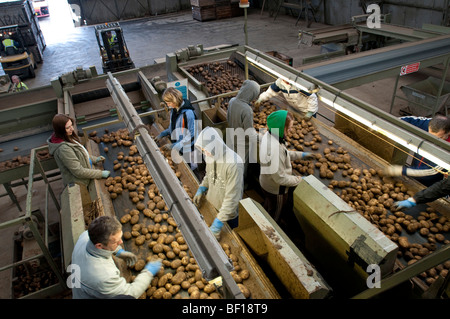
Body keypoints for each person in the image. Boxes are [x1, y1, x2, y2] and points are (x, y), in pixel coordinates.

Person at [71, 216, 162, 298]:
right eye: (116, 242)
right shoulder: (104, 277)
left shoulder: (85, 236)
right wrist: (148, 272)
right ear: (99, 246)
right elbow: (130, 294)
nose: (121, 242)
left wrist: (118, 251)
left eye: (120, 238)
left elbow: (103, 245)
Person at [259, 110, 314, 222]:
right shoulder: (276, 148)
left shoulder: (269, 135)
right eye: (288, 128)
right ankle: (270, 230)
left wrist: (300, 155)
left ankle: (263, 217)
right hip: (275, 189)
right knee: (276, 213)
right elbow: (280, 178)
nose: (290, 131)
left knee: (269, 204)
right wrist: (299, 180)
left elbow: (283, 154)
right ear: (280, 128)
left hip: (265, 182)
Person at [193, 127, 244, 240]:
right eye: (202, 150)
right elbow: (209, 175)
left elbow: (232, 199)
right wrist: (202, 188)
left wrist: (218, 224)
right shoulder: (210, 155)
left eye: (206, 150)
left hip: (227, 217)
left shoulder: (234, 164)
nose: (205, 153)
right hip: (212, 206)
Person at [47, 114, 110, 196]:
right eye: (67, 128)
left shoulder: (66, 136)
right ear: (60, 130)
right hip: (80, 184)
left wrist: (94, 159)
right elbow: (78, 171)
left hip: (85, 173)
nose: (72, 129)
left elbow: (79, 154)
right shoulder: (63, 149)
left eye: (71, 125)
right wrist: (100, 174)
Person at [384, 115, 450, 186]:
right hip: (414, 170)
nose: (431, 140)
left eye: (438, 138)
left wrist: (402, 170)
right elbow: (403, 120)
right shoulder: (428, 123)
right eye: (429, 134)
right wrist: (383, 125)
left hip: (431, 183)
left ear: (448, 133)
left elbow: (433, 171)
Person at [155, 87, 198, 169]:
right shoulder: (174, 111)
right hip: (179, 147)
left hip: (189, 149)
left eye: (168, 102)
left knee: (192, 170)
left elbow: (192, 136)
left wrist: (174, 145)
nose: (167, 105)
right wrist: (163, 134)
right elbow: (173, 128)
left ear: (174, 100)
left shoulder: (188, 114)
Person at [226, 79, 260, 180]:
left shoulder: (232, 101)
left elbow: (228, 118)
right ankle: (239, 187)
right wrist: (262, 137)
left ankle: (230, 181)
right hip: (242, 143)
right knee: (241, 166)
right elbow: (249, 133)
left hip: (232, 137)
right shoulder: (247, 110)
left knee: (232, 163)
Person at [254, 78, 318, 120]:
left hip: (306, 110)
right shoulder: (280, 82)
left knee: (309, 122)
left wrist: (310, 112)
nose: (284, 80)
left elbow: (312, 97)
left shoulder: (299, 85)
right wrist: (261, 99)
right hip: (294, 109)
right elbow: (271, 91)